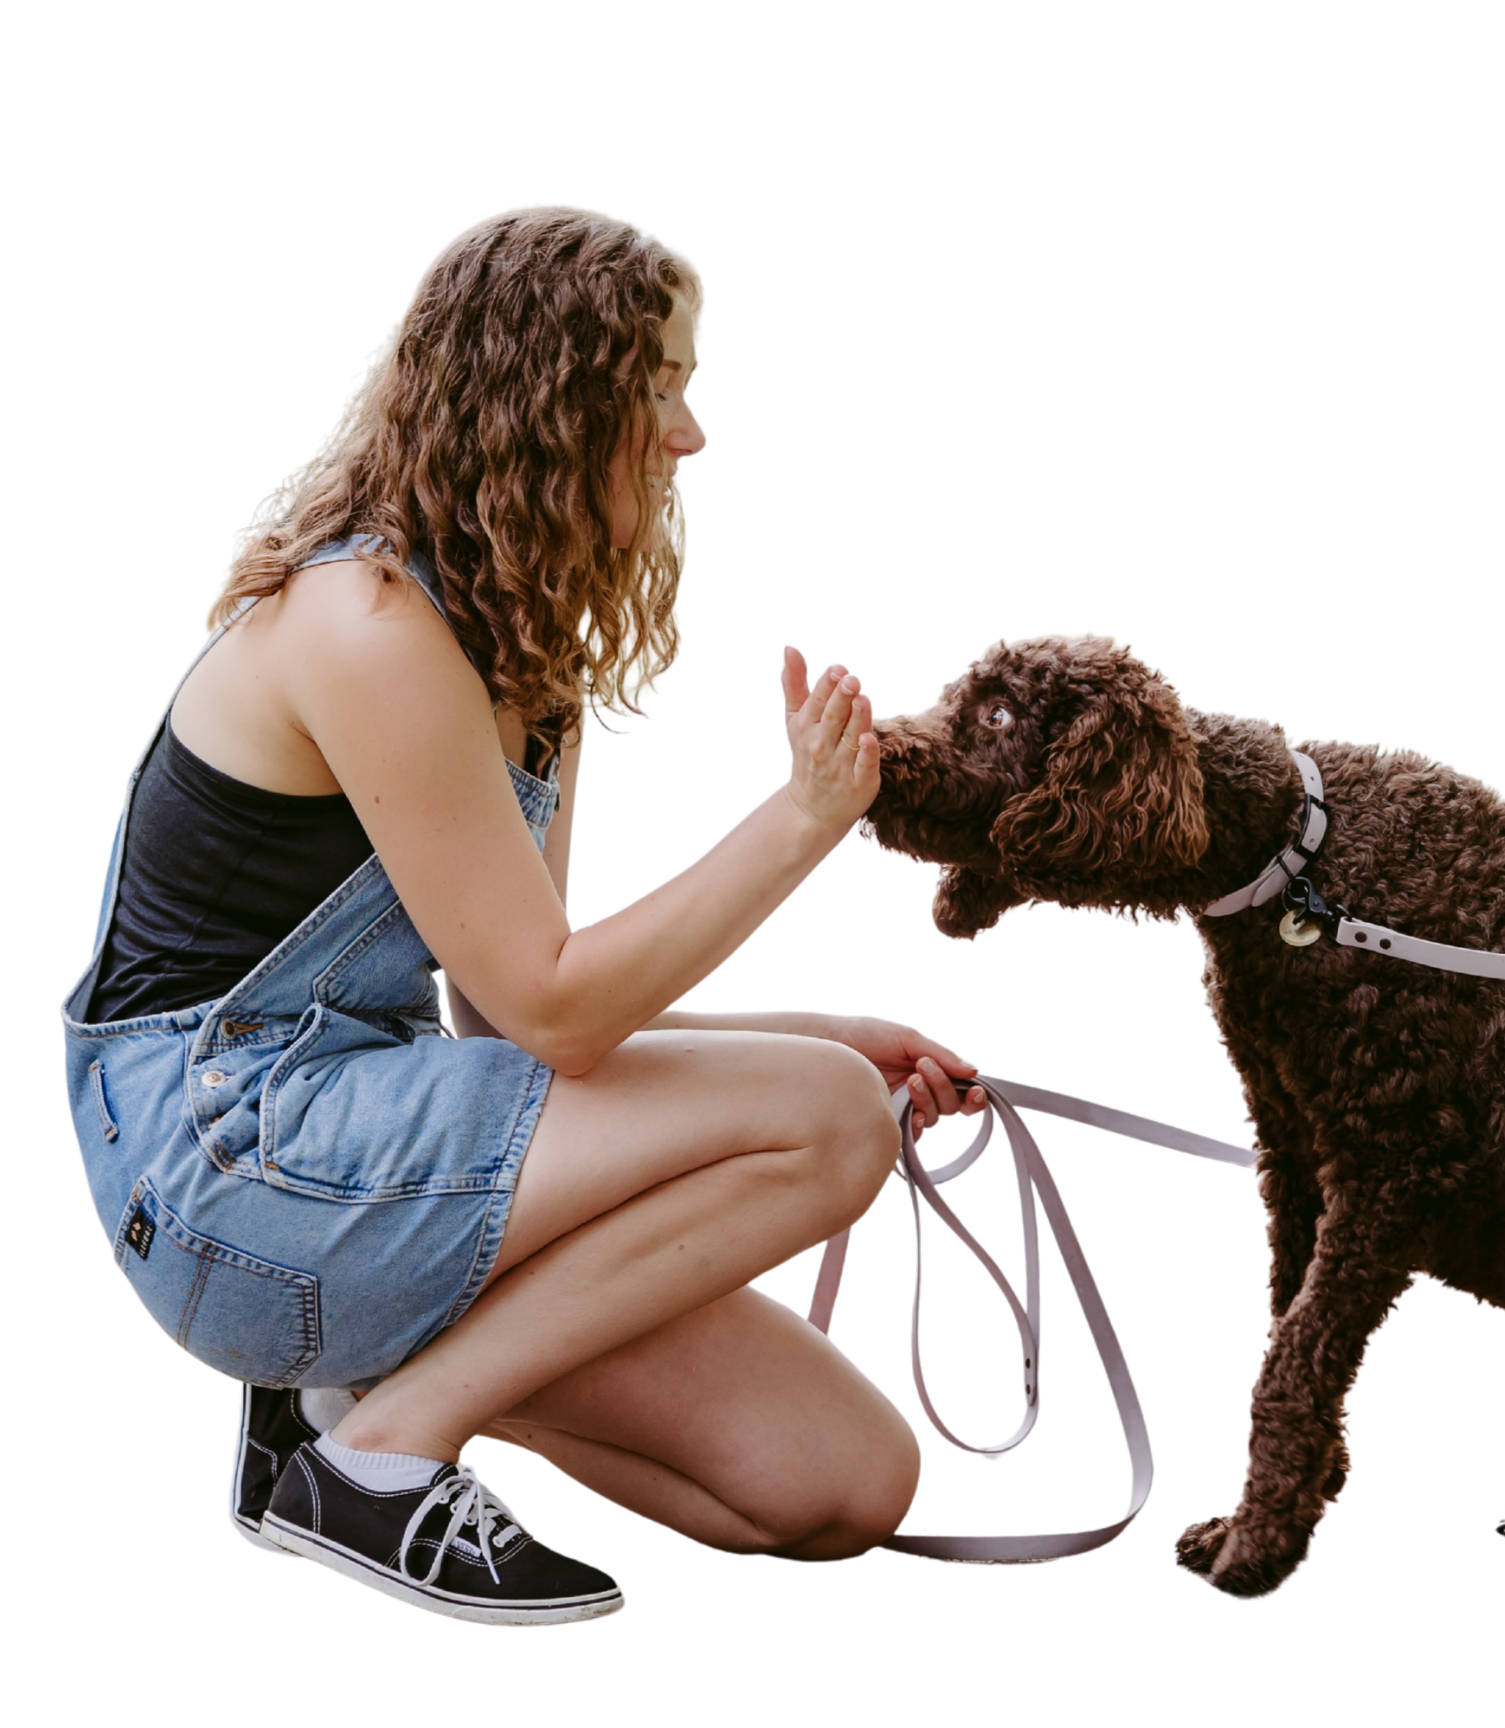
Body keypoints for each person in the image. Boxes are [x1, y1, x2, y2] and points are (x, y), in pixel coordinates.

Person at [57, 204, 988, 1628]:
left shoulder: (512, 635)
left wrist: (811, 1029)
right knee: (824, 1127)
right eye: (663, 387)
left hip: (351, 1146)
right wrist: (796, 830)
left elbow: (511, 1010)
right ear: (554, 403)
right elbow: (554, 1007)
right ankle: (377, 1458)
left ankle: (350, 1407)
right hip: (216, 1163)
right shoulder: (369, 624)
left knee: (841, 1481)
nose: (690, 436)